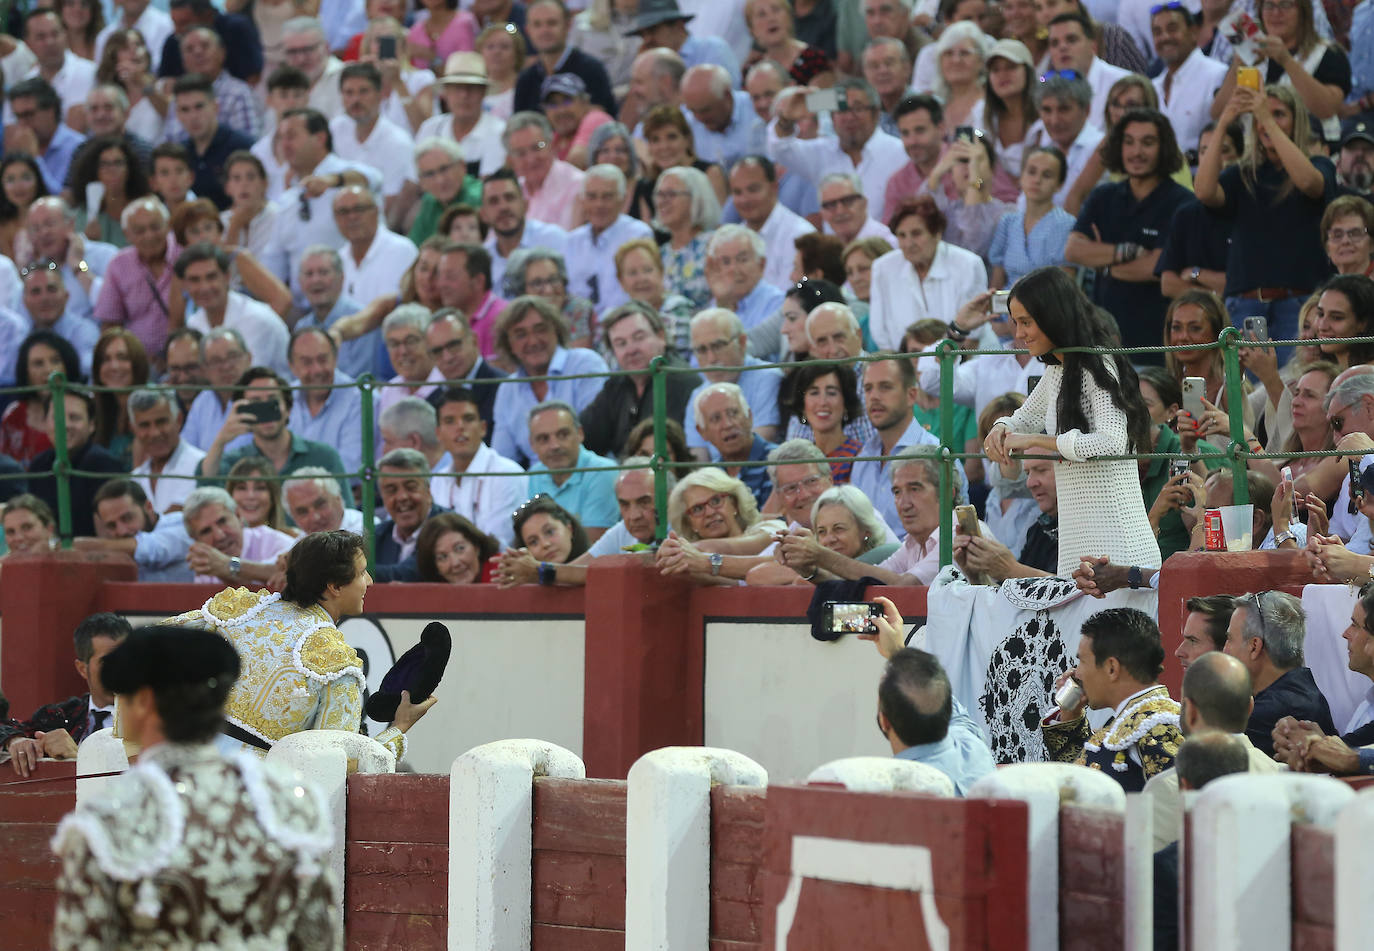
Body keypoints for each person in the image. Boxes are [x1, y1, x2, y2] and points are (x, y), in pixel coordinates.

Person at [164, 529, 435, 758]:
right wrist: (400, 727)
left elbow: (148, 643)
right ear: (335, 587)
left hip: (184, 761)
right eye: (362, 573)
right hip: (255, 791)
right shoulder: (336, 663)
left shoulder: (238, 610)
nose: (370, 582)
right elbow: (338, 762)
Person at [983, 267, 1161, 576]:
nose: (1019, 334)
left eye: (1026, 322)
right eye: (1016, 323)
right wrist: (1002, 428)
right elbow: (1024, 417)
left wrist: (1037, 441)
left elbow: (1111, 441)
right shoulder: (1057, 370)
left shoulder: (1099, 364)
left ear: (1054, 315)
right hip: (1077, 544)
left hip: (1119, 544)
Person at [1196, 83, 1338, 353]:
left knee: (1293, 387)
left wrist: (1265, 118)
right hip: (1246, 305)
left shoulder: (1319, 165)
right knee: (1248, 392)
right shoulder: (1242, 173)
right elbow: (1203, 191)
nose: (1265, 121)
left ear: (1297, 121)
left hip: (1299, 303)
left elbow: (1309, 183)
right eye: (1261, 115)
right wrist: (1225, 120)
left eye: (1278, 114)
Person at [1066, 108, 1192, 358]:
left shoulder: (1183, 202)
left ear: (1163, 147)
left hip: (1157, 345)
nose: (1137, 152)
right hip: (1103, 343)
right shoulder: (1103, 196)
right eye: (1129, 142)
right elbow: (1074, 250)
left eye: (1148, 143)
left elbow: (1157, 266)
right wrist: (1127, 252)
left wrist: (1104, 265)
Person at [1142, 650, 1281, 851]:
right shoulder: (1280, 774)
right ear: (1250, 707)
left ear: (1190, 711)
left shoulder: (1166, 789)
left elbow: (1145, 875)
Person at [1042, 607, 1183, 792]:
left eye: (1083, 661)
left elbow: (1177, 812)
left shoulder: (1158, 728)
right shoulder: (1132, 720)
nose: (1077, 673)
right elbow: (1080, 780)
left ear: (1111, 668)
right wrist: (1070, 714)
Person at [775, 444, 958, 585]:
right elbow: (870, 582)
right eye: (897, 492)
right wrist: (809, 571)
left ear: (948, 492)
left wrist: (820, 555)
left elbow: (906, 586)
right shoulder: (912, 543)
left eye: (915, 489)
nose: (904, 503)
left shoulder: (957, 533)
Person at [868, 598, 997, 796]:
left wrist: (896, 653)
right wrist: (896, 652)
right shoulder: (971, 746)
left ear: (885, 722)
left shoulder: (892, 790)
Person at [1, 613, 129, 779]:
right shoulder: (62, 715)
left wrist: (78, 758)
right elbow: (6, 725)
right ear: (83, 669)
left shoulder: (151, 716)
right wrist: (15, 740)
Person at [198, 367, 349, 503]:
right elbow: (207, 488)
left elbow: (348, 512)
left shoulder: (324, 457)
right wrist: (221, 440)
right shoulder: (235, 463)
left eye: (272, 402)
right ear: (244, 412)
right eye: (256, 403)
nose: (266, 411)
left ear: (288, 408)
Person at [490, 295, 610, 467]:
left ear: (556, 330)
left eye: (540, 329)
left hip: (588, 475)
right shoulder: (507, 389)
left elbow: (594, 439)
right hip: (536, 486)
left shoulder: (585, 364)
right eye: (520, 334)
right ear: (509, 344)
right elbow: (502, 462)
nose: (532, 341)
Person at [1223, 590, 1337, 757]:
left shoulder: (1263, 715)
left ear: (1254, 647)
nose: (1224, 649)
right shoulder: (1303, 691)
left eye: (1230, 639)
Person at [578, 302, 700, 457]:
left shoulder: (679, 380)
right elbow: (584, 438)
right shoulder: (617, 384)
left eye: (639, 337)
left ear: (661, 336)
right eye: (621, 343)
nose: (631, 350)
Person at [868, 196, 987, 351]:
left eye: (916, 234)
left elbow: (972, 336)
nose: (908, 244)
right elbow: (880, 333)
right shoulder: (883, 268)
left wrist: (939, 367)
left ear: (937, 233)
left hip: (960, 363)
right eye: (901, 235)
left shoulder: (968, 265)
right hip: (906, 366)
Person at [428, 386, 526, 548]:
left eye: (468, 418)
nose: (460, 427)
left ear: (483, 428)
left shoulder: (506, 473)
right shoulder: (438, 480)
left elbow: (502, 545)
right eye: (450, 421)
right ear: (438, 433)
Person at [330, 62, 421, 227]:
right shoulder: (335, 129)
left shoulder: (397, 142)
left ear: (381, 95)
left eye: (363, 92)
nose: (355, 100)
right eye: (349, 93)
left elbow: (390, 204)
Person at [179, 242, 289, 375]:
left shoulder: (257, 319)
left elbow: (246, 380)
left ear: (226, 277)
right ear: (185, 285)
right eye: (195, 280)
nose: (204, 287)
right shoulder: (194, 323)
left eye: (211, 277)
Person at [28, 388, 124, 538]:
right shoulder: (38, 465)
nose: (65, 425)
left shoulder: (103, 464)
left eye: (75, 418)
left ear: (92, 425)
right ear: (45, 422)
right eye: (57, 417)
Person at [563, 165, 653, 314]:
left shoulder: (638, 235)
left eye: (607, 197)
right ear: (583, 200)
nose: (599, 204)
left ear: (623, 200)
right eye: (592, 197)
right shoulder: (572, 241)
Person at [525, 399, 619, 539]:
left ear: (580, 433)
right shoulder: (535, 474)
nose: (554, 445)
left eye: (563, 435)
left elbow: (593, 544)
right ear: (532, 445)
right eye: (544, 438)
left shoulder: (603, 471)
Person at [988, 146, 1074, 289]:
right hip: (1006, 307)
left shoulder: (1066, 224)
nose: (1037, 180)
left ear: (1060, 184)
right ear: (1021, 176)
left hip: (1048, 307)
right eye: (1031, 172)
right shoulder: (1008, 222)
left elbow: (1066, 285)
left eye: (1047, 175)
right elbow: (996, 283)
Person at [76, 479, 195, 582]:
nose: (121, 531)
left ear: (148, 507)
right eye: (112, 525)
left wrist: (80, 545)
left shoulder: (180, 523)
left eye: (127, 518)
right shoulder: (118, 548)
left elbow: (152, 550)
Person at [512, 0, 615, 115]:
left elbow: (603, 123)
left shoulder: (592, 70)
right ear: (528, 30)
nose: (544, 30)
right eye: (537, 24)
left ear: (568, 25)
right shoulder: (525, 79)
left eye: (552, 23)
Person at [727, 155, 814, 293]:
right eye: (737, 192)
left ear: (774, 187)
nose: (744, 200)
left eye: (753, 189)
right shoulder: (733, 239)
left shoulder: (800, 234)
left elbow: (791, 295)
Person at [1149, 3, 1227, 154]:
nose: (1164, 37)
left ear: (1193, 33)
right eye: (1157, 32)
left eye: (1172, 29)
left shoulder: (1217, 75)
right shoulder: (1153, 86)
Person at [181, 485, 296, 584]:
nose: (219, 536)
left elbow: (293, 574)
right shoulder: (206, 562)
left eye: (222, 522)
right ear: (196, 539)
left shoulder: (276, 542)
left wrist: (229, 565)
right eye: (206, 531)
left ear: (238, 516)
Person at [417, 52, 506, 174]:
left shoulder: (499, 131)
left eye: (472, 88)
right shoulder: (429, 128)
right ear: (446, 92)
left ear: (483, 92)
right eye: (457, 87)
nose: (464, 95)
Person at [2, 332, 80, 465]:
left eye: (55, 361)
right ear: (25, 371)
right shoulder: (14, 413)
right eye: (38, 363)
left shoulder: (85, 407)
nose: (48, 370)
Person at [128, 385, 205, 513]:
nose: (154, 433)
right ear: (134, 430)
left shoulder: (201, 466)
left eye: (161, 422)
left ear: (179, 420)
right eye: (144, 425)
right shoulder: (134, 480)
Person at [67, 135, 149, 247]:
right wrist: (88, 244)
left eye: (118, 163)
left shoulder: (144, 208)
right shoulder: (84, 215)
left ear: (129, 169)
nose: (112, 170)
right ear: (95, 171)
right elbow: (81, 263)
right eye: (104, 164)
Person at [493, 493, 591, 586]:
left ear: (570, 529)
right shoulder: (526, 589)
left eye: (550, 532)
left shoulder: (599, 562)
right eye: (533, 542)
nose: (545, 544)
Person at [745, 0, 834, 87]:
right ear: (751, 29)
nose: (771, 18)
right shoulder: (751, 70)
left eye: (776, 10)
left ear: (789, 15)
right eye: (762, 14)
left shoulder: (815, 60)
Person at [416, 512, 498, 584]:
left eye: (460, 549)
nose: (455, 563)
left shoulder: (503, 571)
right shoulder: (437, 592)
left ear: (477, 547)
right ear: (435, 568)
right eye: (443, 557)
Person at [1321, 193, 1374, 276]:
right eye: (1337, 235)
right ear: (1327, 248)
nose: (1345, 241)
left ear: (1371, 244)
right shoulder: (1329, 288)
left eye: (1355, 233)